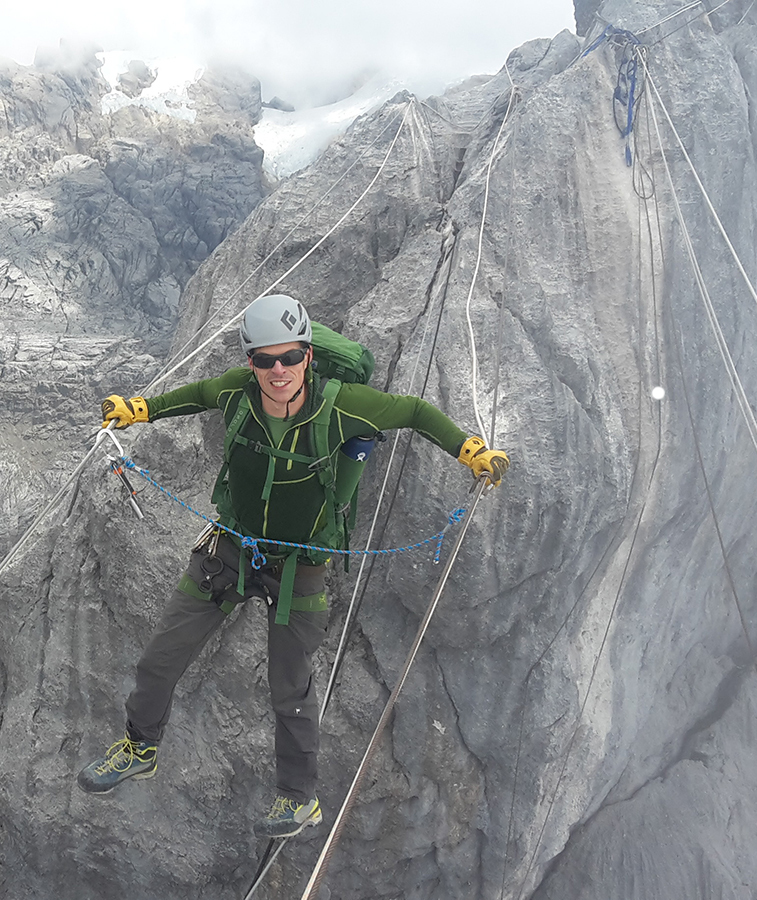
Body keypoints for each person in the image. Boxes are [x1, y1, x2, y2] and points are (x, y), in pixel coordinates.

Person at [76, 294, 509, 838]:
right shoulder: (237, 390)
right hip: (228, 549)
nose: (277, 370)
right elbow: (193, 396)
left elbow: (416, 413)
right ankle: (140, 748)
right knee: (160, 658)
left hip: (300, 565)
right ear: (250, 361)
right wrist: (139, 409)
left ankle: (298, 799)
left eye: (289, 357)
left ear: (307, 355)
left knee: (290, 688)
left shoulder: (345, 404)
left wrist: (470, 449)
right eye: (264, 360)